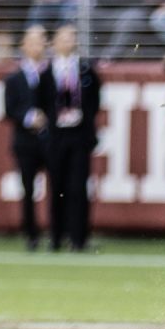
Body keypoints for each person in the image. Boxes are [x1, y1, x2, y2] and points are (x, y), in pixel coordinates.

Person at [38, 24, 101, 252]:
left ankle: (78, 237)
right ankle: (56, 236)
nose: (68, 41)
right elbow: (42, 101)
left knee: (78, 187)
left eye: (72, 37)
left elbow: (94, 101)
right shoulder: (47, 71)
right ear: (54, 42)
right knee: (57, 187)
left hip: (79, 133)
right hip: (57, 135)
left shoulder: (85, 70)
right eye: (63, 37)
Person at [2, 26, 50, 250]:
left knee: (59, 187)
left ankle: (58, 232)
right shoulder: (14, 78)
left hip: (51, 140)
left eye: (40, 41)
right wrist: (30, 117)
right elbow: (9, 108)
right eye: (32, 41)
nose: (37, 46)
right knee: (28, 189)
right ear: (23, 46)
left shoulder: (53, 73)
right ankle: (31, 233)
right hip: (25, 140)